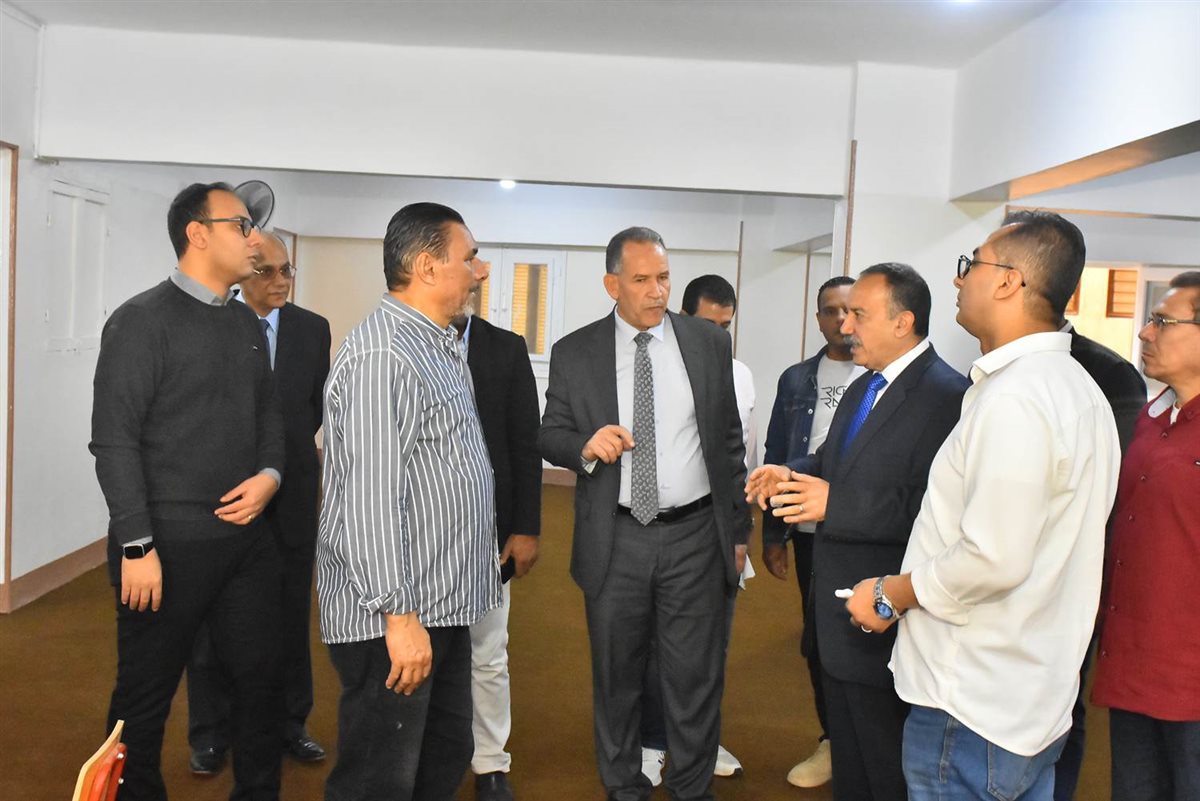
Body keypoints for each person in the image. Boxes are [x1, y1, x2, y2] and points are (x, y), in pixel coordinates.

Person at [844, 212, 1119, 801]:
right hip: (1030, 693)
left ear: (1009, 281)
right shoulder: (1075, 389)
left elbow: (993, 558)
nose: (958, 279)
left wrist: (891, 594)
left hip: (973, 700)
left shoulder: (1017, 396)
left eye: (971, 265)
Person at [538, 227, 751, 801]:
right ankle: (623, 785)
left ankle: (691, 788)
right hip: (618, 537)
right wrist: (584, 446)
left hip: (695, 535)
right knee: (617, 674)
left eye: (663, 278)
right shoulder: (575, 352)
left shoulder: (707, 344)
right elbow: (550, 433)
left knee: (694, 676)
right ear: (613, 284)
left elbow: (729, 442)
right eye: (641, 280)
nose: (657, 291)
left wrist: (738, 530)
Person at [90, 181, 285, 801]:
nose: (255, 238)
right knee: (143, 699)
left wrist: (270, 474)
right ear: (197, 234)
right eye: (241, 225)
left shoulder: (246, 323)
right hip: (166, 546)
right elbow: (114, 441)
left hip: (245, 542)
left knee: (261, 682)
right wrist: (136, 545)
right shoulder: (141, 321)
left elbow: (269, 414)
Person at [747, 263, 968, 801]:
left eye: (859, 315)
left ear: (902, 322)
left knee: (886, 765)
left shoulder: (948, 397)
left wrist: (837, 504)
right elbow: (833, 461)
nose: (845, 327)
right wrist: (790, 472)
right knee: (851, 763)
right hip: (838, 612)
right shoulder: (865, 384)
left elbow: (939, 509)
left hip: (889, 612)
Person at [316, 202, 500, 801]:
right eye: (469, 258)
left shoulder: (434, 343)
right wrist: (398, 618)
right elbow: (367, 502)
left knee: (440, 759)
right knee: (379, 780)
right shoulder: (385, 356)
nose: (480, 270)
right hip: (394, 619)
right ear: (426, 266)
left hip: (440, 606)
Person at [185, 232, 332, 774]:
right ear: (243, 274)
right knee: (213, 619)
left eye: (287, 270)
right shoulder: (212, 324)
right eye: (267, 271)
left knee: (291, 614)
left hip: (291, 493)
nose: (281, 281)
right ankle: (211, 733)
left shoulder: (312, 329)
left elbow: (312, 409)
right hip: (224, 495)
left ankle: (291, 723)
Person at [639, 274, 755, 786]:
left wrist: (741, 534)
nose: (717, 335)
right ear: (684, 317)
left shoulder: (740, 375)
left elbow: (741, 457)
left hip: (718, 529)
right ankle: (651, 741)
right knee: (653, 645)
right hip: (662, 528)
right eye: (709, 323)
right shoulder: (652, 365)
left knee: (709, 647)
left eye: (725, 326)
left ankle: (699, 742)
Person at [1091, 271, 1200, 801]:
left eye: (1163, 321)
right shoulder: (1153, 418)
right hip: (1134, 658)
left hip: (1191, 673)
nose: (1145, 332)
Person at [759, 274, 862, 789]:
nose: (841, 321)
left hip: (866, 527)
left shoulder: (880, 375)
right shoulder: (798, 379)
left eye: (850, 309)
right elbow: (777, 454)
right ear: (818, 318)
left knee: (865, 635)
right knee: (819, 636)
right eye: (830, 311)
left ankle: (866, 743)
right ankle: (833, 740)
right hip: (808, 528)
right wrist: (773, 534)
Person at [452, 292, 543, 801]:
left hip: (491, 532)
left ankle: (489, 761)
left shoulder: (506, 348)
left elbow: (526, 443)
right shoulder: (408, 343)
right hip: (422, 536)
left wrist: (526, 527)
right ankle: (435, 752)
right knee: (427, 653)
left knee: (487, 652)